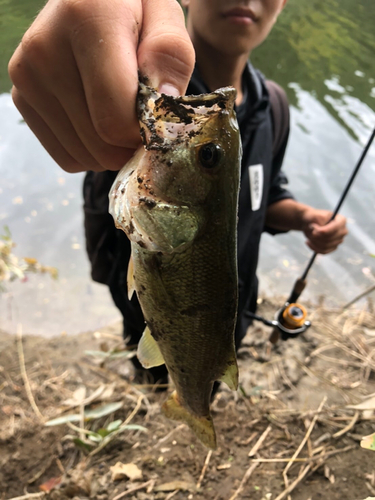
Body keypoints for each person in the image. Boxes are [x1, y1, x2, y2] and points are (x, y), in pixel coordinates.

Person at [9, 0, 348, 386]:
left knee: (209, 378)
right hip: (149, 306)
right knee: (153, 375)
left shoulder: (273, 106)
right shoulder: (148, 99)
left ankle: (196, 399)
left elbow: (264, 195)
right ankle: (158, 389)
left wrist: (304, 218)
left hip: (233, 307)